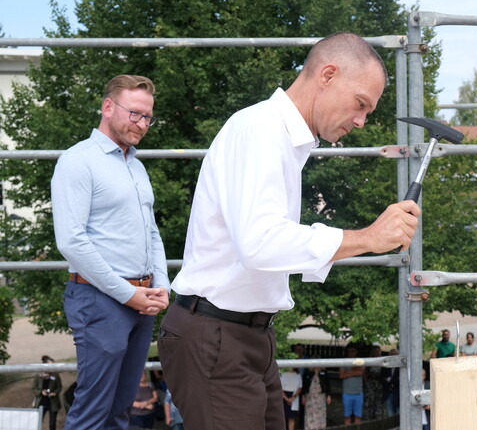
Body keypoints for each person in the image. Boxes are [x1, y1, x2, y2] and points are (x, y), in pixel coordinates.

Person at [157, 32, 420, 430]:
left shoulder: (284, 141)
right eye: (361, 104)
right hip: (216, 336)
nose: (362, 121)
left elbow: (270, 249)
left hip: (245, 335)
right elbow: (260, 244)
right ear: (327, 75)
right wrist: (367, 237)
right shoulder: (261, 130)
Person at [51, 74, 170, 430]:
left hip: (140, 299)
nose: (142, 124)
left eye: (148, 117)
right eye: (135, 114)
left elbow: (151, 230)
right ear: (107, 107)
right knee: (92, 412)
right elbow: (71, 241)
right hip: (100, 300)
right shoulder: (78, 161)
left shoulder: (136, 165)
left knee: (122, 411)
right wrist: (128, 294)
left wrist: (161, 284)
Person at [32, 356, 62, 430]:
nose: (53, 367)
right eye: (51, 365)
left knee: (52, 424)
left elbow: (59, 387)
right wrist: (41, 392)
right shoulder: (37, 376)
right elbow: (34, 389)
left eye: (53, 365)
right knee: (37, 422)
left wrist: (55, 393)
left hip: (52, 403)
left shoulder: (55, 376)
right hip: (41, 402)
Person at [340, 346, 365, 425]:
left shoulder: (360, 361)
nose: (351, 353)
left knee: (358, 416)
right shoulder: (344, 361)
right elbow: (341, 375)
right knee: (347, 416)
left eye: (353, 351)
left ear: (356, 352)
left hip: (358, 393)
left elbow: (360, 372)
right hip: (347, 393)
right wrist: (354, 372)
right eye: (350, 351)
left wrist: (348, 372)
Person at [364, 345, 386, 420]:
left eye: (379, 352)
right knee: (370, 401)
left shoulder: (383, 361)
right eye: (376, 352)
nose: (377, 353)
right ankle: (368, 418)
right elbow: (365, 373)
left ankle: (379, 418)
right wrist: (366, 381)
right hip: (371, 383)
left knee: (379, 401)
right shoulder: (370, 361)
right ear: (373, 353)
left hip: (380, 383)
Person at [382, 348, 400, 416]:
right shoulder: (386, 366)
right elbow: (381, 378)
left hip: (398, 393)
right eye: (392, 355)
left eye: (395, 355)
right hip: (388, 392)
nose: (393, 357)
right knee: (390, 412)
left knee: (399, 412)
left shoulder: (401, 367)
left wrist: (391, 381)